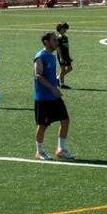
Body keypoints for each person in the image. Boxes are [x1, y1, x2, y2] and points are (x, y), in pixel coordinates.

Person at [32, 31, 73, 160]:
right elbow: (38, 75)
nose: (57, 42)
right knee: (43, 125)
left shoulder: (51, 56)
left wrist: (55, 86)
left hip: (54, 96)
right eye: (54, 40)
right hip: (43, 97)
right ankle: (39, 151)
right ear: (46, 42)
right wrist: (52, 88)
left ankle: (60, 149)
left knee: (65, 120)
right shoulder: (40, 56)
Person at [54, 22, 73, 87]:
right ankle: (62, 84)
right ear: (60, 29)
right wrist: (61, 57)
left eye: (66, 29)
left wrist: (69, 56)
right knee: (63, 69)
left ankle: (57, 78)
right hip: (61, 55)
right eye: (64, 28)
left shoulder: (65, 37)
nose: (65, 30)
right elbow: (58, 48)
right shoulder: (59, 37)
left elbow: (66, 47)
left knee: (70, 68)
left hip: (66, 55)